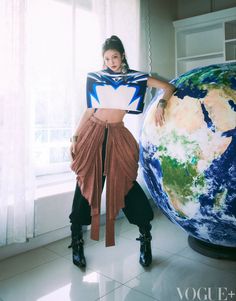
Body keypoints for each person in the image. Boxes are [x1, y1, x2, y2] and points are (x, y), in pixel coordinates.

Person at [68, 35, 176, 269]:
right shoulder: (97, 77)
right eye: (107, 58)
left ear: (122, 55)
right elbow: (89, 109)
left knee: (126, 185)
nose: (111, 62)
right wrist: (76, 135)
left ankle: (145, 238)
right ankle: (76, 240)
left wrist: (161, 104)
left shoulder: (135, 78)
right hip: (93, 133)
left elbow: (168, 87)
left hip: (117, 135)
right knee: (86, 185)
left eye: (114, 57)